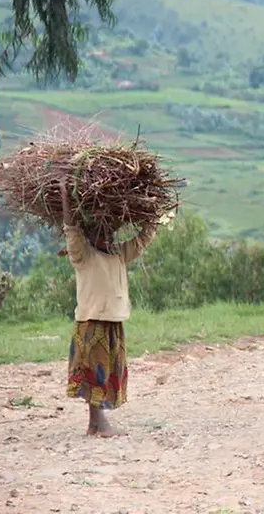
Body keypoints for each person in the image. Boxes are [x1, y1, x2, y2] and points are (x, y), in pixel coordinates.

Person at [59, 177, 157, 436]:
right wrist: (66, 195)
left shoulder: (118, 255)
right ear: (91, 236)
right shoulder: (83, 255)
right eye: (101, 232)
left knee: (108, 371)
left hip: (113, 322)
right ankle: (99, 424)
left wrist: (151, 210)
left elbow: (145, 237)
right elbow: (71, 228)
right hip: (92, 322)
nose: (108, 236)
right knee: (94, 373)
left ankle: (94, 425)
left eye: (110, 232)